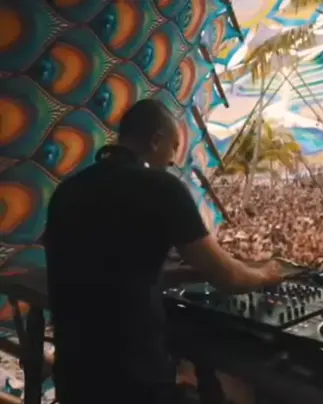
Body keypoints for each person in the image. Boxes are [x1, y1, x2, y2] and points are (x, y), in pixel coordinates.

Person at [44, 99, 284, 403]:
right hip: (134, 381)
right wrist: (266, 274)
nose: (172, 160)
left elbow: (112, 270)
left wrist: (186, 273)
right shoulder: (162, 188)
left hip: (75, 376)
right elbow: (230, 278)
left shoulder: (68, 190)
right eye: (173, 147)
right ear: (156, 140)